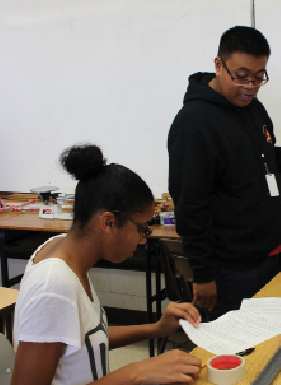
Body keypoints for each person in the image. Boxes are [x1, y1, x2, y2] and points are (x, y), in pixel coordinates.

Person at [12, 144, 203, 385]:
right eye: (142, 229)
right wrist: (136, 374)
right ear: (108, 222)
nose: (144, 240)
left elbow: (83, 340)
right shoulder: (54, 284)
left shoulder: (64, 249)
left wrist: (156, 329)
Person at [167, 26, 281, 321]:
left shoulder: (251, 108)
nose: (250, 85)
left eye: (259, 76)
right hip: (228, 268)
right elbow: (190, 205)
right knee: (235, 354)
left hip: (266, 254)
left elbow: (255, 164)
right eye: (241, 75)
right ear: (218, 65)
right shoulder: (194, 124)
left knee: (266, 346)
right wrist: (203, 274)